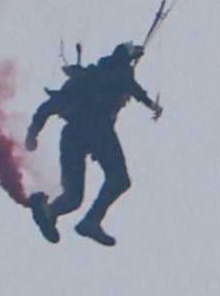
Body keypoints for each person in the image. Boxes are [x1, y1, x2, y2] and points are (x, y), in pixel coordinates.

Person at [23, 35, 162, 244]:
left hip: (71, 137)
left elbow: (49, 106)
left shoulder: (83, 80)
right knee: (119, 179)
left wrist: (32, 134)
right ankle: (91, 221)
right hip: (97, 129)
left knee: (73, 198)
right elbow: (126, 81)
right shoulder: (118, 71)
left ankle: (47, 213)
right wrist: (150, 103)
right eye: (126, 99)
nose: (125, 103)